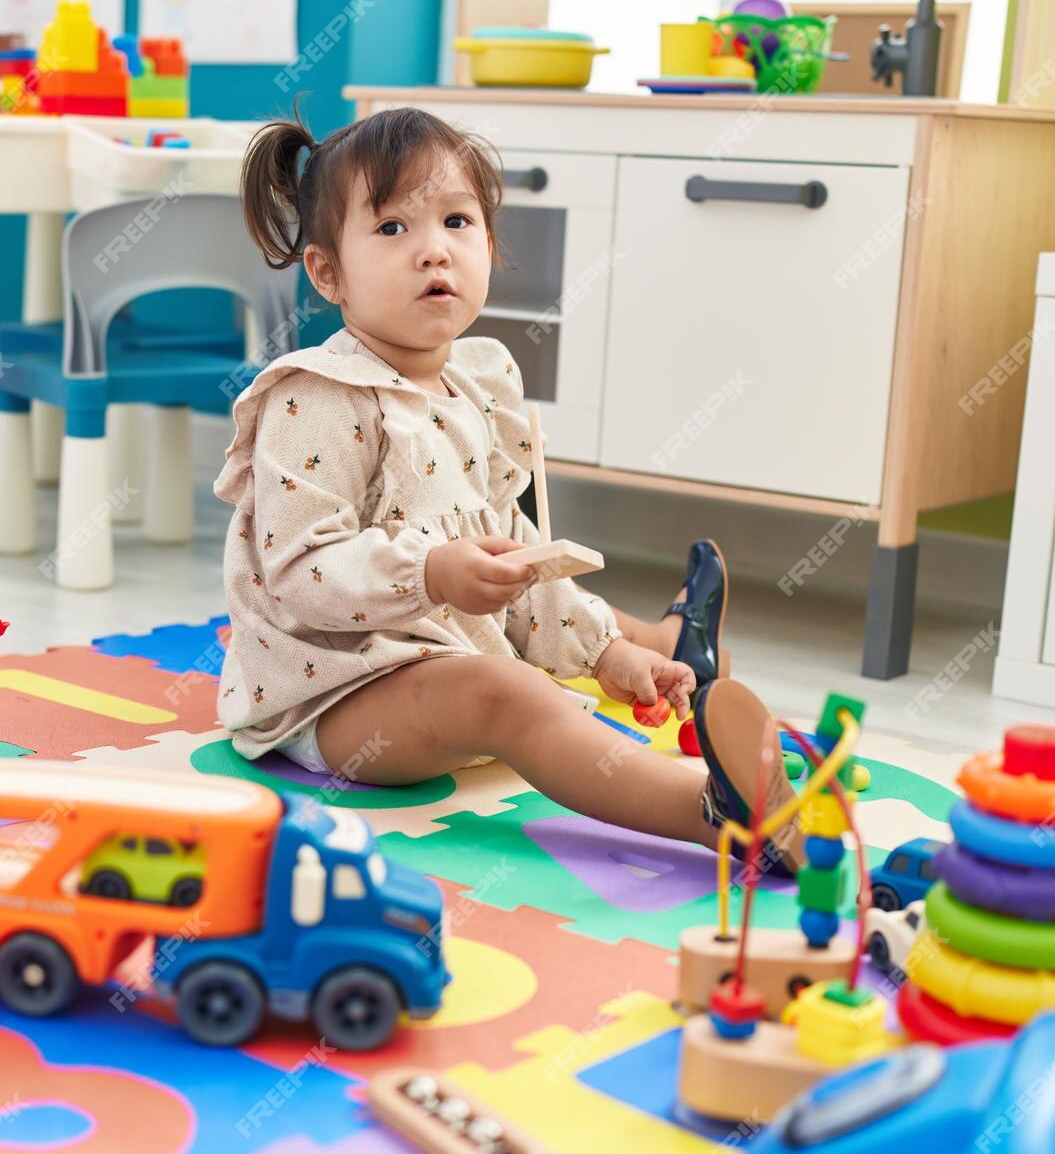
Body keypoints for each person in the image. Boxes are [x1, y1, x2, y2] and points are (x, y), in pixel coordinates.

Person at [218, 106, 793, 867]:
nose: (434, 252)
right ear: (328, 272)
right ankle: (712, 814)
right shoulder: (317, 397)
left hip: (435, 664)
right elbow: (299, 572)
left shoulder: (475, 386)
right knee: (508, 694)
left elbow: (517, 556)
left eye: (457, 221)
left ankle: (736, 783)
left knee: (520, 685)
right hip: (333, 695)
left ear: (489, 243)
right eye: (393, 229)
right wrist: (430, 572)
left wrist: (605, 649)